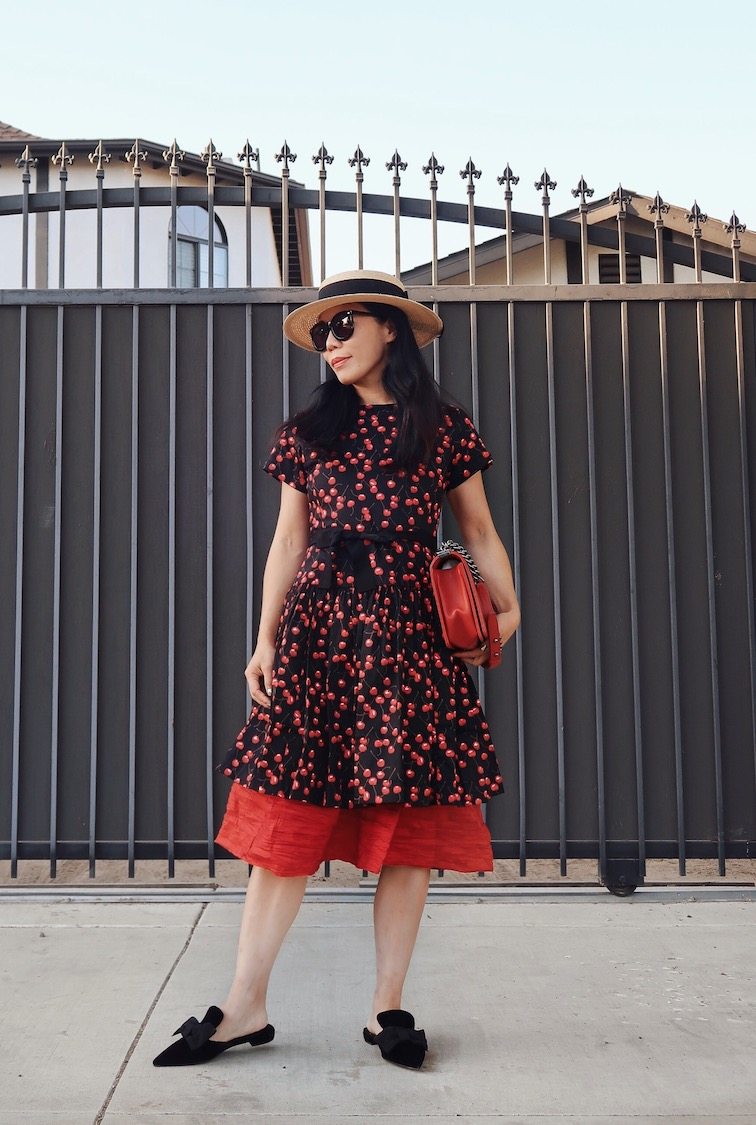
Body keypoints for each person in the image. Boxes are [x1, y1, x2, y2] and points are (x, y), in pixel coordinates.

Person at [153, 270, 520, 1070]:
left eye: (346, 324)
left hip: (407, 638)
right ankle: (244, 1005)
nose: (332, 342)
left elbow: (480, 529)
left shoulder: (442, 427)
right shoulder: (309, 429)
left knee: (411, 830)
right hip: (319, 631)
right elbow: (287, 542)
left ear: (392, 329)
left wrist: (509, 604)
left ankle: (387, 1006)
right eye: (323, 332)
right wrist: (265, 640)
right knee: (283, 820)